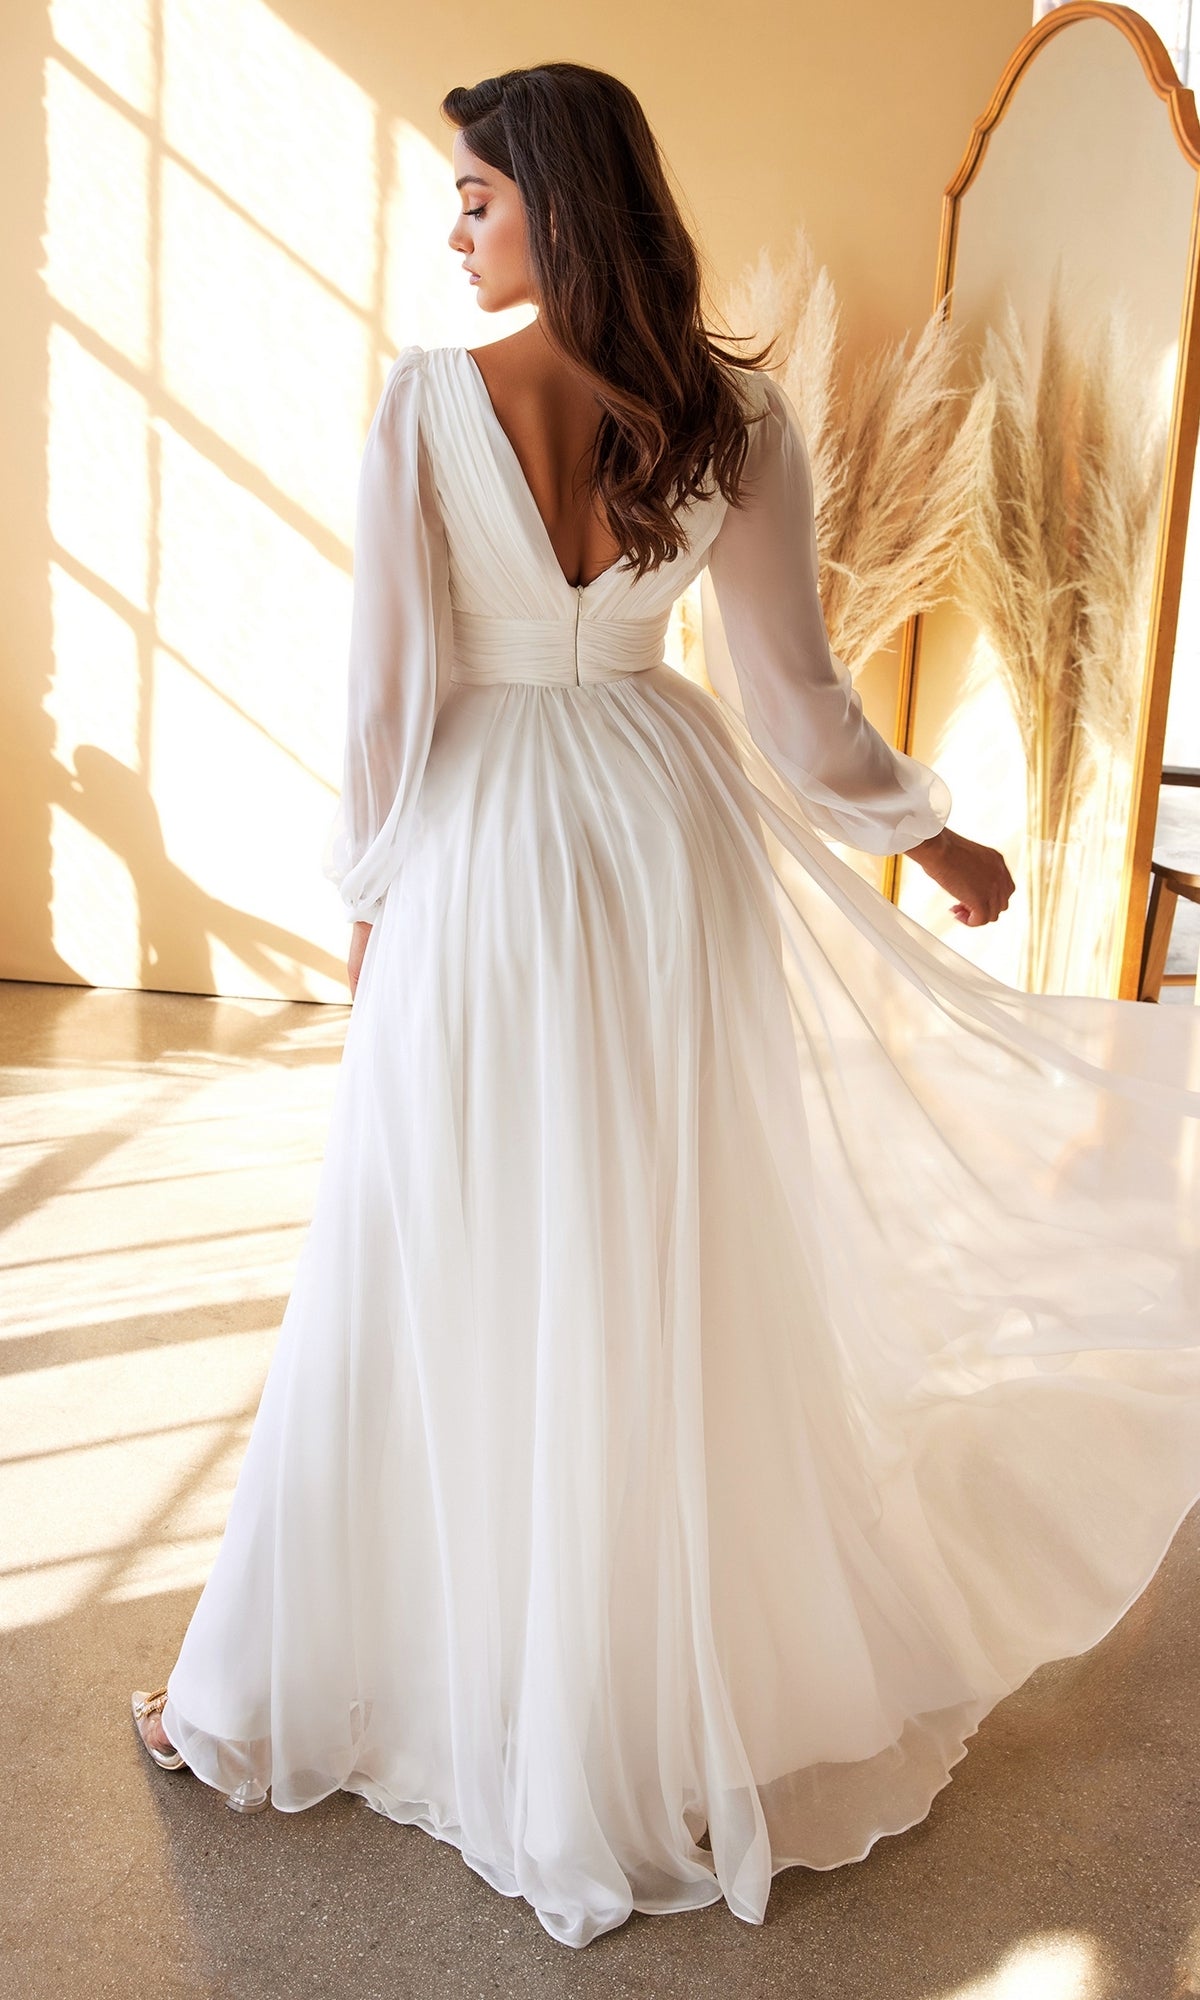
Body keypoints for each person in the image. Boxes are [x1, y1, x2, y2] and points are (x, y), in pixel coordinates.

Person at [131, 61, 1200, 1952]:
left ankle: (358, 1670)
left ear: (556, 199)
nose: (454, 230)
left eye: (476, 199)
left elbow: (386, 704)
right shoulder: (741, 414)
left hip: (481, 850)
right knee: (651, 1236)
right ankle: (638, 1677)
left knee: (430, 1244)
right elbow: (794, 702)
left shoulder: (420, 407)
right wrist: (929, 841)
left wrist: (372, 902)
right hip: (655, 833)